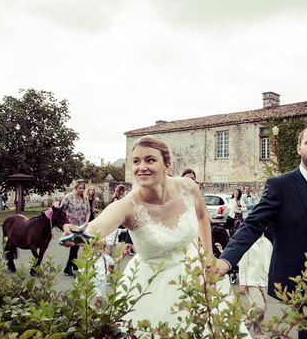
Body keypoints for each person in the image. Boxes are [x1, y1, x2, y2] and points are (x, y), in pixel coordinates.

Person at [62, 136, 250, 334]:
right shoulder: (126, 206)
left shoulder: (187, 187)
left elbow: (203, 216)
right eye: (136, 161)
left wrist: (209, 255)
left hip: (195, 275)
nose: (141, 167)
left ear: (166, 165)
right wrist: (79, 233)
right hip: (151, 288)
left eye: (149, 160)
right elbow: (95, 228)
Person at [213, 125, 307, 338]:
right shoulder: (280, 185)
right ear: (299, 148)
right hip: (300, 278)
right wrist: (227, 259)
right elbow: (253, 224)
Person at [235, 233, 273, 338]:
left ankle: (260, 335)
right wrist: (242, 283)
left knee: (263, 309)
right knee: (258, 307)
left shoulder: (268, 243)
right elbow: (243, 263)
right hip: (251, 281)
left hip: (263, 281)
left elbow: (268, 264)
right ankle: (239, 329)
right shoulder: (249, 243)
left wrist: (267, 283)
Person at [60, 180, 91, 276]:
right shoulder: (68, 197)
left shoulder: (85, 198)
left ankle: (70, 267)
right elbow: (61, 211)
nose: (81, 190)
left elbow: (88, 211)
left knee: (76, 246)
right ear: (75, 187)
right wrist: (65, 224)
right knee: (74, 246)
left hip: (81, 226)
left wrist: (86, 222)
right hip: (70, 226)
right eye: (79, 188)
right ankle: (71, 267)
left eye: (83, 188)